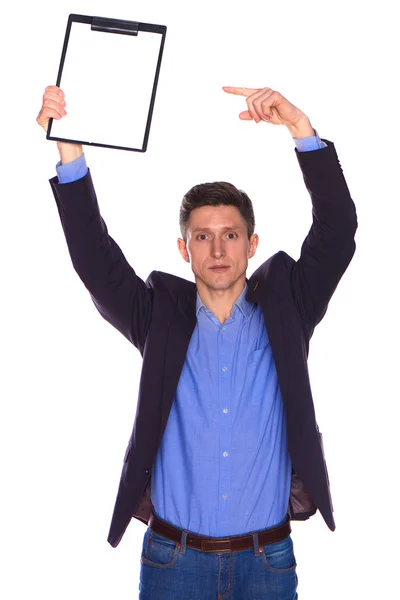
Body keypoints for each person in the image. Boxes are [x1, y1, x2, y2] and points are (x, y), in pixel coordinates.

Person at [37, 84, 357, 600]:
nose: (217, 249)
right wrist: (69, 152)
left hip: (266, 563)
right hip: (173, 562)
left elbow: (338, 233)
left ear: (251, 244)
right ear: (183, 249)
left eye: (230, 234)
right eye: (202, 236)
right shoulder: (158, 315)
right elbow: (95, 260)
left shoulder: (288, 307)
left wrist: (301, 129)